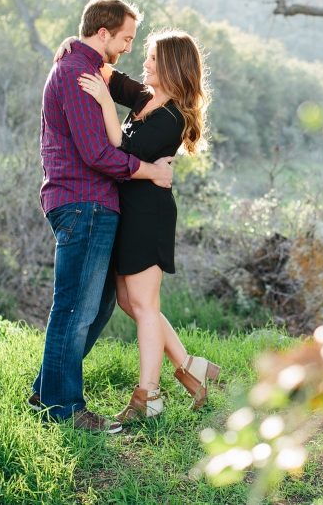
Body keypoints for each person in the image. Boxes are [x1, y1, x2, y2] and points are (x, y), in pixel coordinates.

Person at [30, 0, 174, 434]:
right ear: (104, 32)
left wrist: (74, 44)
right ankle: (64, 409)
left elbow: (132, 88)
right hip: (83, 202)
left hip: (96, 205)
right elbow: (96, 152)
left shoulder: (87, 66)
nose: (130, 46)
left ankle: (46, 392)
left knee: (94, 309)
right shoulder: (77, 73)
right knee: (75, 310)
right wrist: (150, 170)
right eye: (127, 38)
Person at [65, 29, 220, 421]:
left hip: (148, 215)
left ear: (171, 66)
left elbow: (122, 147)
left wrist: (103, 102)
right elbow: (106, 70)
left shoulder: (172, 117)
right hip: (126, 211)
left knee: (146, 306)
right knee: (129, 302)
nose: (144, 62)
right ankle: (191, 365)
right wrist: (71, 44)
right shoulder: (145, 99)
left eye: (152, 58)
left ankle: (148, 396)